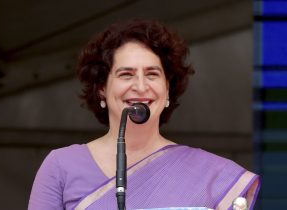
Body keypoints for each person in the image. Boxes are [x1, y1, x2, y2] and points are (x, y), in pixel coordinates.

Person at [28, 19, 260, 210]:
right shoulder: (61, 166)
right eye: (126, 74)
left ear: (167, 88)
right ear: (102, 89)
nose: (140, 86)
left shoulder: (215, 175)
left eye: (152, 74)